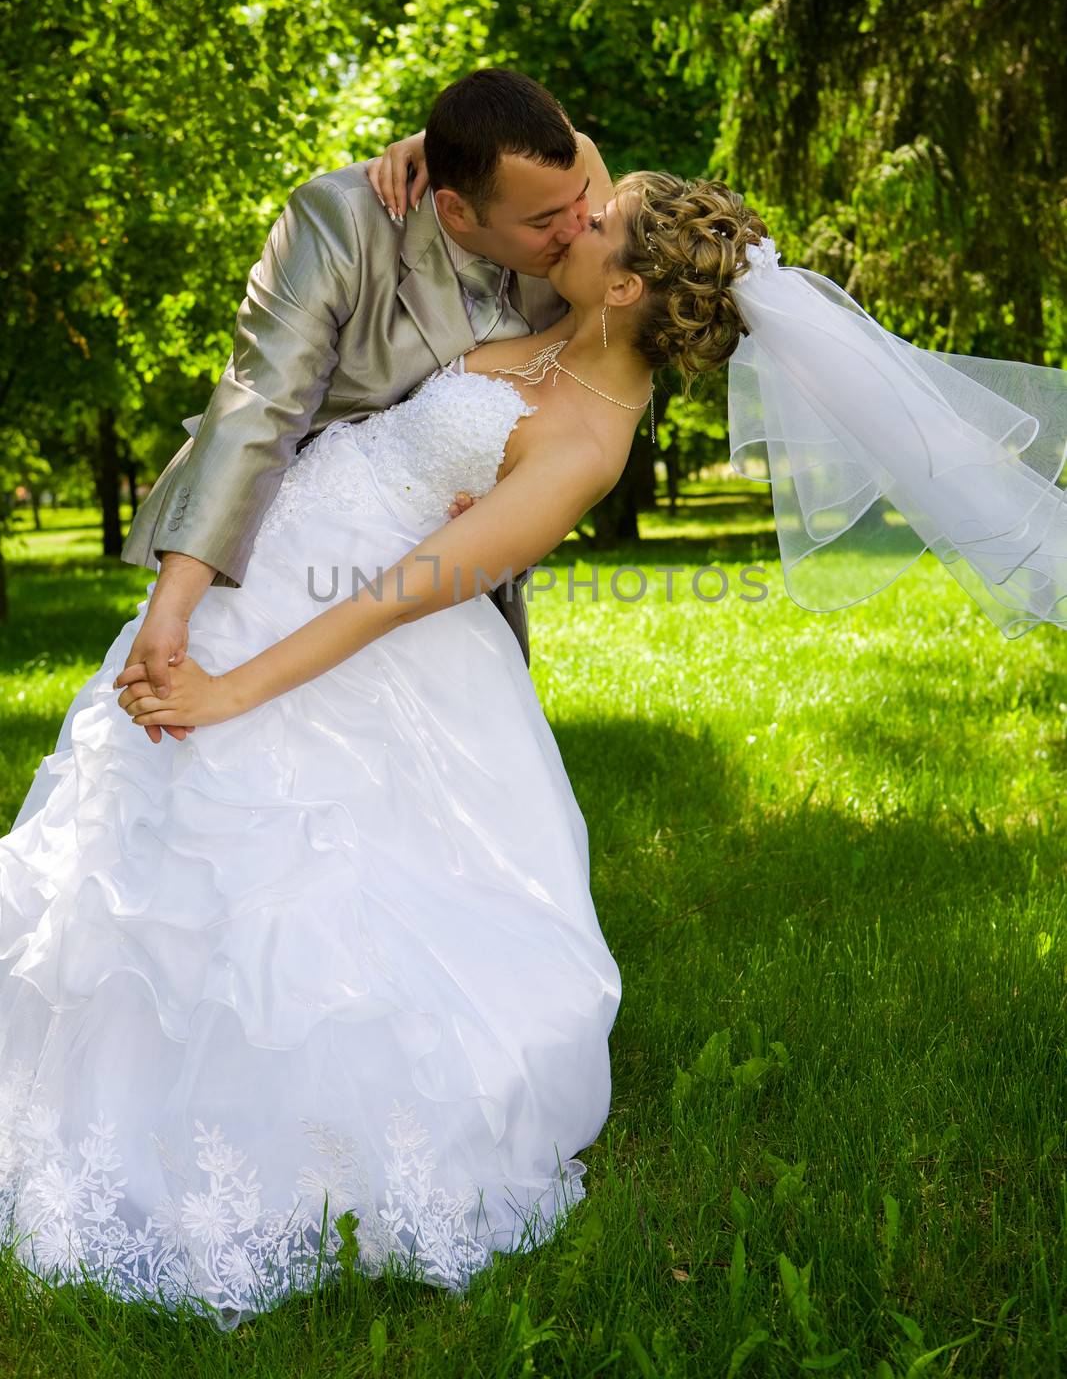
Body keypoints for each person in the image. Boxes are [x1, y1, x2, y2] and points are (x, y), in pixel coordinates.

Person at [0, 166, 768, 1329]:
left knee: (272, 864)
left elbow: (389, 603)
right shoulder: (574, 321)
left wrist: (229, 692)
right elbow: (575, 165)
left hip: (340, 624)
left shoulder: (589, 441)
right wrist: (437, 144)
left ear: (623, 284)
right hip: (284, 542)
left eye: (591, 225)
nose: (573, 215)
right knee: (128, 830)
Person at [118, 68, 614, 737]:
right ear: (456, 208)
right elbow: (258, 408)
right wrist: (174, 606)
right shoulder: (335, 223)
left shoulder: (580, 234)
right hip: (293, 545)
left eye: (579, 203)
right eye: (544, 220)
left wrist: (436, 139)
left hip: (454, 566)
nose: (578, 227)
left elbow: (577, 154)